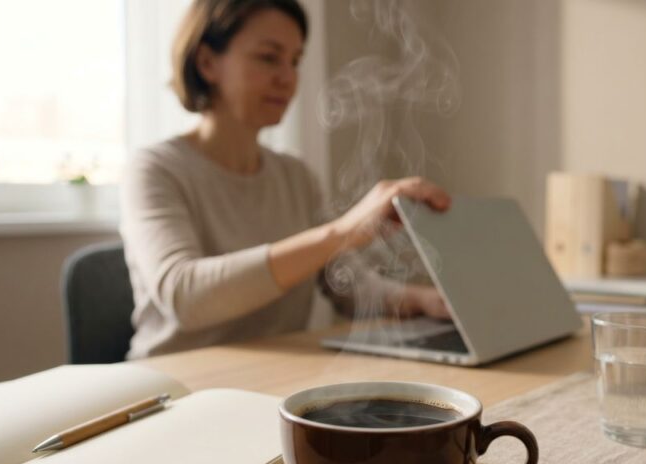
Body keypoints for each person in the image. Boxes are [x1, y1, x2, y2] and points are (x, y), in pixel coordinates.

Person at [120, 0, 451, 359]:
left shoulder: (295, 176)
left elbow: (348, 285)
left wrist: (428, 300)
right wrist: (341, 232)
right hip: (175, 389)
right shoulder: (155, 168)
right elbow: (185, 297)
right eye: (268, 57)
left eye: (295, 61)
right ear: (207, 63)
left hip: (270, 380)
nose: (288, 78)